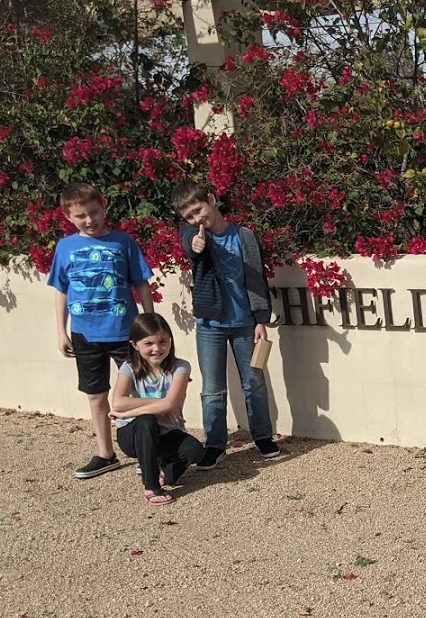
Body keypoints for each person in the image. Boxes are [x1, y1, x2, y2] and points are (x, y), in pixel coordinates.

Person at [47, 182, 156, 480]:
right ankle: (106, 454)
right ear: (68, 216)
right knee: (96, 395)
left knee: (140, 390)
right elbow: (61, 290)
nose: (89, 220)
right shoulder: (65, 247)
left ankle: (147, 449)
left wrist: (150, 322)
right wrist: (61, 331)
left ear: (103, 208)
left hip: (125, 332)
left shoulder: (123, 242)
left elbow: (141, 283)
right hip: (85, 335)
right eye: (81, 215)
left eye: (94, 212)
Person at [172, 180, 280, 467]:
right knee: (212, 389)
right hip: (210, 324)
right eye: (189, 216)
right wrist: (195, 243)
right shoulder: (193, 235)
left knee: (254, 382)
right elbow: (190, 244)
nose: (197, 219)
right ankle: (215, 444)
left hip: (245, 323)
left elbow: (256, 279)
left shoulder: (244, 236)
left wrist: (261, 319)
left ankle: (263, 436)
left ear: (211, 199)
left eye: (198, 210)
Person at [110, 313, 204, 506]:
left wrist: (129, 412)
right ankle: (151, 487)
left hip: (167, 431)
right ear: (135, 345)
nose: (157, 349)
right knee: (146, 421)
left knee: (194, 450)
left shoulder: (180, 367)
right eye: (148, 343)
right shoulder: (128, 368)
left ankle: (160, 470)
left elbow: (169, 404)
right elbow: (118, 403)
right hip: (133, 435)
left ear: (170, 340)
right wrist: (158, 405)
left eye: (163, 341)